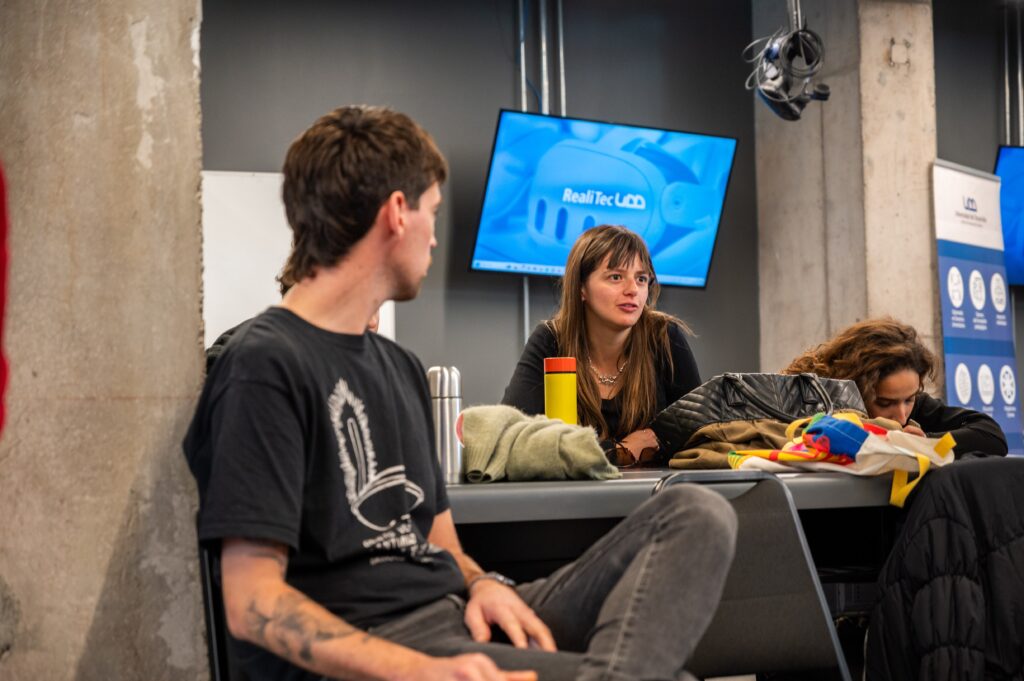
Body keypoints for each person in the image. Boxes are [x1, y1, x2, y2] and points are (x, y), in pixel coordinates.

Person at [183, 105, 737, 681]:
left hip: (456, 612)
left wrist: (483, 583)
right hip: (385, 647)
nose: (433, 237)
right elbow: (252, 603)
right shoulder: (263, 364)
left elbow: (440, 542)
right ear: (397, 214)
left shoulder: (398, 366)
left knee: (697, 513)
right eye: (432, 212)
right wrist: (415, 670)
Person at [502, 225, 701, 466]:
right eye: (616, 277)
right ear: (581, 287)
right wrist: (620, 451)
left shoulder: (664, 337)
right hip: (575, 489)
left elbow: (699, 436)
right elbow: (510, 440)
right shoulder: (551, 340)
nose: (633, 290)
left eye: (641, 279)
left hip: (656, 488)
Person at [783, 317, 1007, 457]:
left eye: (910, 399)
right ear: (853, 390)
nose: (901, 416)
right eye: (884, 403)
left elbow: (991, 436)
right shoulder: (810, 406)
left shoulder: (912, 409)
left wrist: (923, 442)